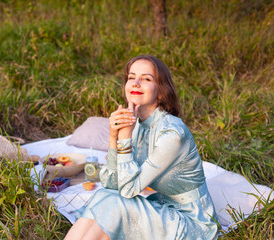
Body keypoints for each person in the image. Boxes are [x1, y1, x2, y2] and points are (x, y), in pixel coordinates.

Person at [65, 55, 219, 240]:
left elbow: (128, 190)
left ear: (161, 91)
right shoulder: (136, 124)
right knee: (106, 197)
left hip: (192, 224)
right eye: (131, 77)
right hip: (161, 209)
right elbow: (111, 184)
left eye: (146, 79)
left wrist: (124, 137)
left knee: (115, 204)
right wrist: (114, 137)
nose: (136, 83)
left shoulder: (173, 134)